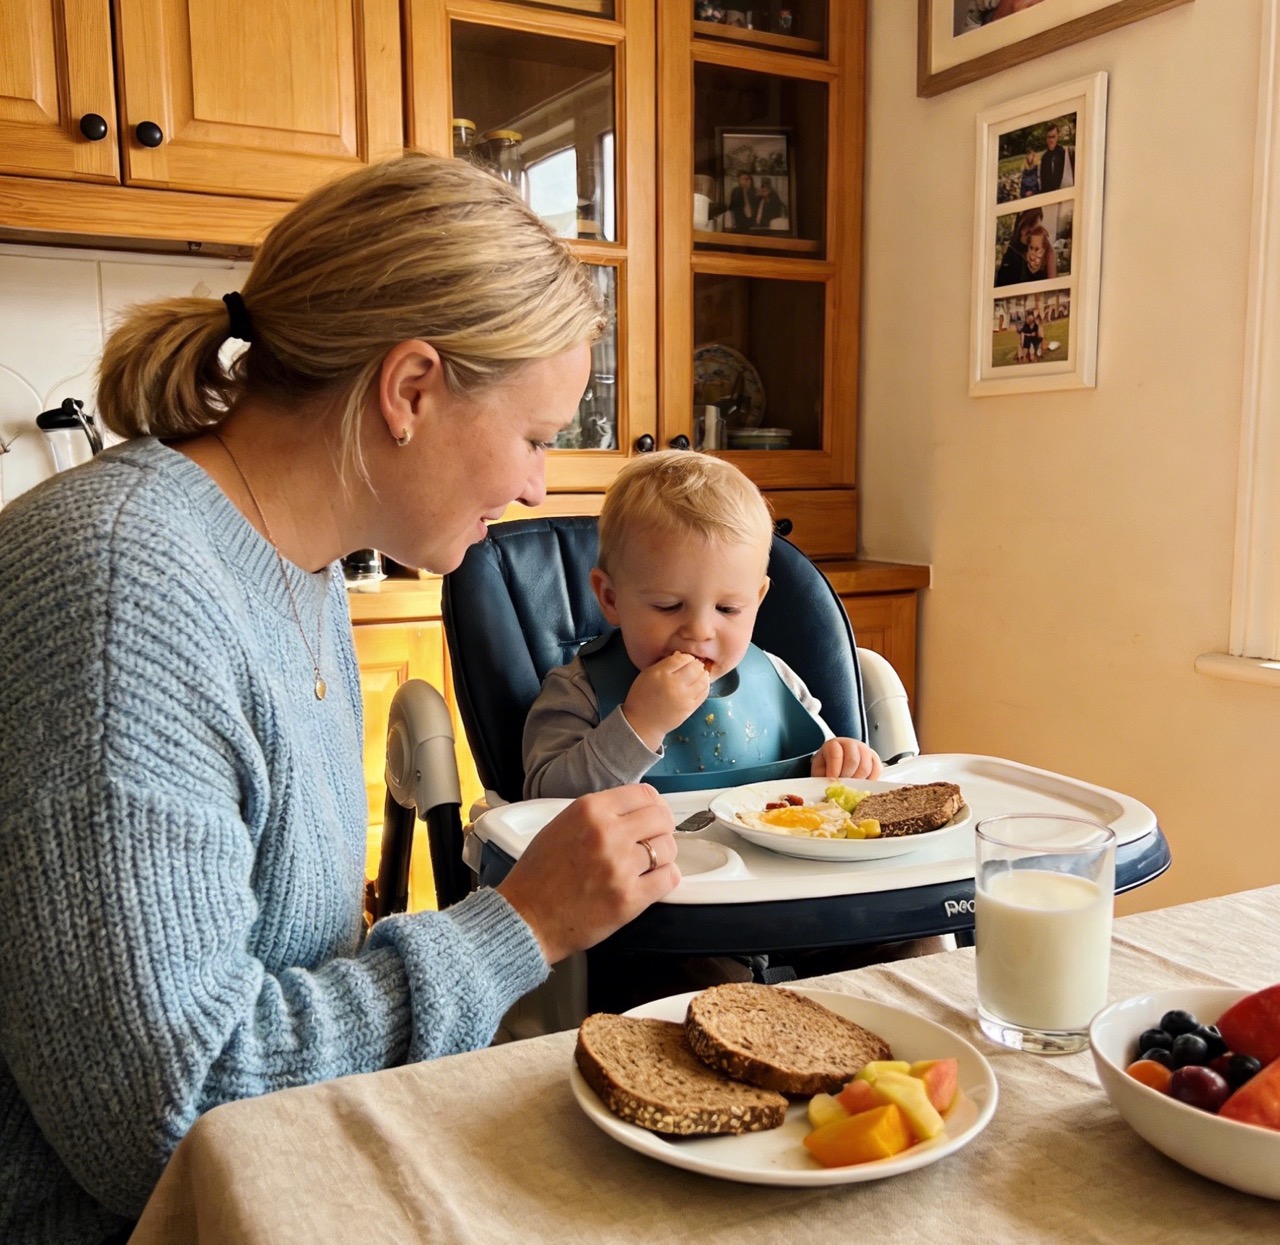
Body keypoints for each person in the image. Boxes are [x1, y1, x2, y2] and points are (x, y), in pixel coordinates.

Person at [0, 153, 681, 1245]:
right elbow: (164, 1122)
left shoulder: (301, 565)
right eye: (536, 438)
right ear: (409, 389)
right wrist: (516, 926)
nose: (536, 489)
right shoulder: (121, 585)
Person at [522, 451, 883, 802]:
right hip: (644, 861)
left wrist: (841, 757)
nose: (699, 630)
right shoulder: (579, 693)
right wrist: (639, 724)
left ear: (757, 601)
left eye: (728, 608)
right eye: (669, 606)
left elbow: (820, 761)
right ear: (611, 598)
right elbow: (544, 801)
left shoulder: (775, 680)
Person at [995, 207, 1057, 287]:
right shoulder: (1011, 256)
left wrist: (1050, 252)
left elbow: (1052, 286)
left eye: (1037, 230)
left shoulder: (1043, 250)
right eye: (1028, 229)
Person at [1038, 122, 1073, 192]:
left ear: (1057, 137)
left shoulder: (1064, 153)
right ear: (1046, 138)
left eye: (1053, 137)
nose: (1051, 140)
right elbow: (1043, 181)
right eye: (1049, 137)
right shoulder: (1044, 158)